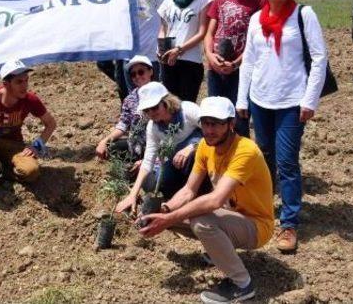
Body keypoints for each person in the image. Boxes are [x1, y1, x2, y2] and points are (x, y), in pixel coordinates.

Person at [139, 97, 274, 303]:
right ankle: (219, 250)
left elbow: (215, 201)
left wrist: (169, 217)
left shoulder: (245, 151)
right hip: (231, 217)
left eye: (216, 124)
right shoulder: (204, 146)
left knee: (201, 222)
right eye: (205, 123)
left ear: (231, 124)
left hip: (257, 226)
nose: (209, 130)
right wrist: (164, 212)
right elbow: (188, 190)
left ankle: (242, 285)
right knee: (169, 217)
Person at [236, 0, 327, 253]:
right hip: (260, 99)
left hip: (291, 101)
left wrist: (310, 100)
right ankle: (264, 209)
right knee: (264, 157)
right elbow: (248, 61)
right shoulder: (255, 20)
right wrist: (242, 99)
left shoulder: (303, 15)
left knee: (287, 161)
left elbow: (319, 58)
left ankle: (289, 223)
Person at [0, 59, 57, 199]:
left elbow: (51, 124)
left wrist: (37, 146)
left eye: (26, 80)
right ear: (6, 84)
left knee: (31, 172)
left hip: (14, 145)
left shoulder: (30, 99)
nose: (25, 86)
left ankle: (6, 171)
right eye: (19, 82)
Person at [115, 82, 205, 214]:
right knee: (157, 185)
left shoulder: (188, 110)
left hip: (200, 157)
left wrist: (192, 147)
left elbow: (213, 134)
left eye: (155, 107)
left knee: (191, 158)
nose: (151, 113)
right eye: (147, 110)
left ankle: (199, 196)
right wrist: (132, 194)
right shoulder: (153, 127)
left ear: (166, 102)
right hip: (175, 161)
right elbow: (148, 160)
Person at [204, 0, 266, 137]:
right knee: (216, 118)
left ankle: (241, 162)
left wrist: (238, 62)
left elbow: (259, 37)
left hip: (243, 70)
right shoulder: (221, 0)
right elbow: (209, 32)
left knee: (240, 119)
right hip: (216, 69)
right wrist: (210, 55)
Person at [157, 0, 212, 102]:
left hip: (190, 61)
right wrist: (161, 48)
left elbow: (202, 32)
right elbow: (164, 28)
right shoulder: (169, 0)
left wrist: (179, 50)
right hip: (169, 60)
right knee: (171, 104)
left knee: (187, 105)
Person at [95, 55, 154, 169]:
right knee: (111, 149)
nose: (137, 76)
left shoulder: (162, 94)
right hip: (137, 145)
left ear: (150, 71)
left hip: (156, 146)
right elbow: (123, 125)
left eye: (141, 72)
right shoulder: (130, 99)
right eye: (133, 74)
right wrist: (104, 141)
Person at [93, 0, 129, 101]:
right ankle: (130, 85)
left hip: (126, 34)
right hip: (111, 32)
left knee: (122, 71)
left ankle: (127, 107)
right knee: (103, 63)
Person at [130, 0, 169, 86]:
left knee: (155, 95)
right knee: (134, 96)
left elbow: (167, 22)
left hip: (154, 54)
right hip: (132, 54)